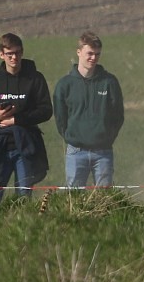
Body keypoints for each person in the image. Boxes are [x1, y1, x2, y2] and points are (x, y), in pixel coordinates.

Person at [0, 32, 52, 206]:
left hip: (25, 146)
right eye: (9, 54)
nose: (14, 57)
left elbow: (46, 110)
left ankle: (21, 230)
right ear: (1, 55)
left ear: (22, 52)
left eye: (17, 53)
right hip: (0, 145)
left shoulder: (35, 78)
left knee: (23, 201)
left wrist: (17, 120)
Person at [53, 30, 125, 189]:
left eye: (97, 54)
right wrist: (70, 136)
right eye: (90, 53)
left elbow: (118, 115)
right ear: (79, 52)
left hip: (103, 152)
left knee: (105, 198)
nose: (94, 58)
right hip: (76, 152)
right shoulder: (64, 85)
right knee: (74, 199)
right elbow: (60, 117)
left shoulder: (109, 82)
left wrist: (107, 138)